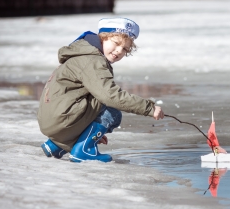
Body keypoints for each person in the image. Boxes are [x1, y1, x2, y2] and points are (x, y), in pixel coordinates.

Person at [37, 17, 164, 163]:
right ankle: (83, 151)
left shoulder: (85, 53)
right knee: (112, 111)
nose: (118, 51)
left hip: (53, 119)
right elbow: (109, 96)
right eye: (116, 43)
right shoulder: (93, 60)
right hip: (62, 119)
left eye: (125, 49)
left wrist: (88, 131)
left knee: (99, 100)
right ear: (103, 38)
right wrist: (148, 108)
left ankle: (56, 146)